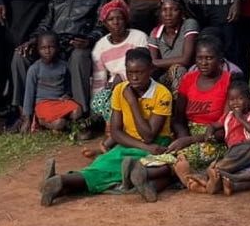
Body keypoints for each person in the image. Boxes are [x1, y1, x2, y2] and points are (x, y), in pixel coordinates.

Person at [39, 47, 173, 205]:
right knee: (100, 168)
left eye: (140, 72)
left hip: (156, 145)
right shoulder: (120, 90)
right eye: (130, 73)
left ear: (151, 69)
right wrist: (142, 146)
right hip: (129, 144)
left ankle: (60, 182)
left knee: (109, 172)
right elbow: (116, 132)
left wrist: (132, 103)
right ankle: (60, 182)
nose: (134, 78)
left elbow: (149, 136)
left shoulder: (162, 94)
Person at [10, 0, 110, 131]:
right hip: (53, 42)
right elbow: (46, 21)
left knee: (79, 57)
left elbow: (101, 25)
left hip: (77, 43)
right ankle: (24, 113)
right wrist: (34, 40)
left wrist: (89, 39)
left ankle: (81, 115)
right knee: (20, 55)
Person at [166, 35, 236, 191]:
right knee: (167, 155)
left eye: (209, 58)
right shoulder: (188, 79)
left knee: (179, 160)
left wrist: (190, 140)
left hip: (214, 140)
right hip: (187, 136)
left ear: (220, 59)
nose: (203, 63)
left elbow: (226, 127)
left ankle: (201, 187)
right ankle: (201, 181)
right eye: (200, 58)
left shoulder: (228, 81)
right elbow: (178, 119)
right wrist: (184, 138)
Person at [88, 0, 150, 130]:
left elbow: (144, 66)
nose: (116, 23)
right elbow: (99, 80)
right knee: (102, 99)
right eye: (111, 19)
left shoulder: (139, 37)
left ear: (126, 19)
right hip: (113, 87)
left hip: (138, 83)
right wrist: (98, 102)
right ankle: (112, 128)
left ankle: (120, 130)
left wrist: (121, 78)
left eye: (119, 18)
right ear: (104, 23)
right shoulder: (100, 46)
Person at [198, 80, 250, 193]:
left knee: (229, 160)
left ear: (248, 100)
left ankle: (209, 174)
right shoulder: (228, 116)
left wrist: (240, 118)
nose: (235, 103)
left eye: (240, 99)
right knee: (230, 160)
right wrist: (209, 132)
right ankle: (218, 180)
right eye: (232, 100)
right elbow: (214, 125)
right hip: (234, 149)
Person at [23, 33, 79, 133]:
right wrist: (27, 119)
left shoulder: (64, 66)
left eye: (51, 47)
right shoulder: (34, 69)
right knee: (59, 123)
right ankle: (42, 122)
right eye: (43, 48)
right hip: (43, 104)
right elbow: (28, 95)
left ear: (57, 48)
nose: (47, 51)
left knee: (77, 111)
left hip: (59, 101)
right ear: (38, 49)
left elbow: (68, 85)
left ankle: (66, 125)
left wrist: (67, 94)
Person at [147, 0, 199, 90]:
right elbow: (152, 65)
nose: (168, 14)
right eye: (164, 10)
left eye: (173, 9)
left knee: (179, 70)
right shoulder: (155, 32)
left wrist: (155, 62)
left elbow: (185, 60)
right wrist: (154, 63)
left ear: (181, 12)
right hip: (166, 76)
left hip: (190, 72)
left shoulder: (189, 24)